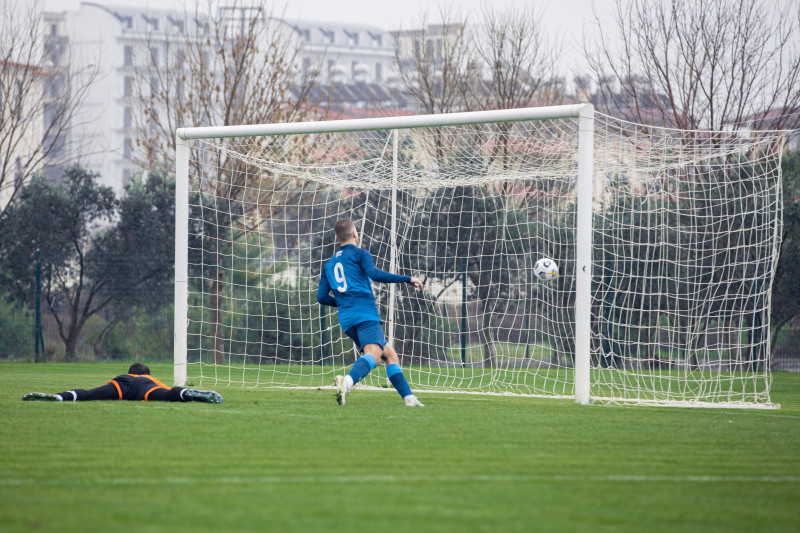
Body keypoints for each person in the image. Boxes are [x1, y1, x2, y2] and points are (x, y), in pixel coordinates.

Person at [317, 218, 425, 407]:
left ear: (336, 238)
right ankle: (347, 382)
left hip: (347, 318)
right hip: (365, 314)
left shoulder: (329, 265)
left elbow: (322, 297)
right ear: (355, 234)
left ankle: (409, 398)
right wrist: (407, 279)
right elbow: (374, 274)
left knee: (389, 355)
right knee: (374, 356)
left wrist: (344, 302)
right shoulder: (360, 254)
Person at [21, 363, 223, 403]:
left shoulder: (125, 377)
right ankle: (189, 394)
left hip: (120, 385)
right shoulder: (149, 379)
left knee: (88, 394)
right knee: (168, 395)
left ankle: (59, 397)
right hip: (146, 388)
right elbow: (167, 390)